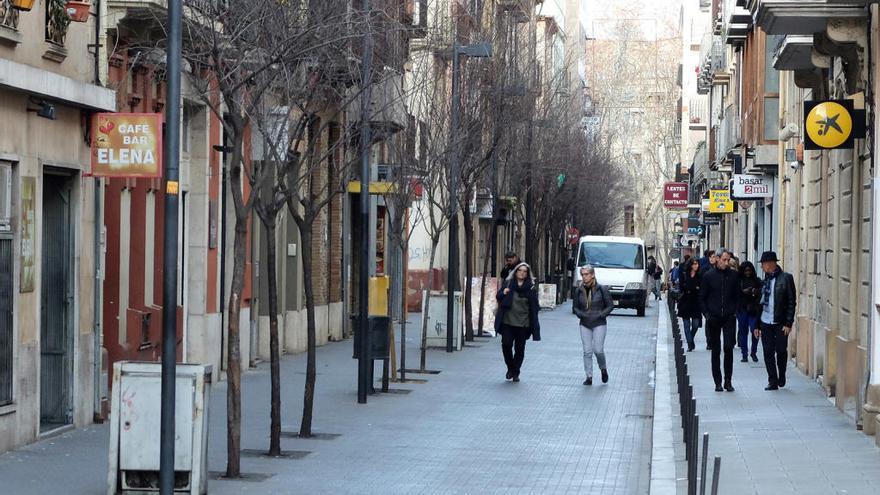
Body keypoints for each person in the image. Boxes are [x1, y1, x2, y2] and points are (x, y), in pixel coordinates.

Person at [754, 251, 797, 391]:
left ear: (771, 264)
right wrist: (757, 325)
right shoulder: (764, 281)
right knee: (767, 352)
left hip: (780, 322)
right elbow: (759, 305)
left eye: (763, 264)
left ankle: (782, 374)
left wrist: (788, 323)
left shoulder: (786, 278)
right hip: (765, 321)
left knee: (781, 350)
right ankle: (772, 380)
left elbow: (791, 301)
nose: (762, 267)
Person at [699, 250, 740, 392]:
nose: (726, 263)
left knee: (728, 348)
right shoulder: (708, 276)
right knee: (715, 350)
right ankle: (717, 381)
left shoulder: (734, 276)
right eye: (724, 260)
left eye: (728, 260)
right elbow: (702, 297)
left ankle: (728, 380)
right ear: (717, 259)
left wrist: (734, 311)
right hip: (714, 317)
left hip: (729, 317)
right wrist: (707, 315)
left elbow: (737, 296)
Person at [495, 262, 541, 382]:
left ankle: (516, 372)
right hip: (507, 322)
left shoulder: (530, 287)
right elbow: (498, 296)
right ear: (516, 271)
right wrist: (503, 292)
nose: (522, 273)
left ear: (527, 274)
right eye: (520, 270)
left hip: (523, 324)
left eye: (525, 271)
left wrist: (533, 324)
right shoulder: (509, 283)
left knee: (520, 349)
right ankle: (510, 367)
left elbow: (535, 306)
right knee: (506, 344)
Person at [572, 265, 614, 386]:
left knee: (598, 350)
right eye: (582, 274)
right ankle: (589, 376)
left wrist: (601, 314)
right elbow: (574, 307)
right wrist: (581, 315)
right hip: (585, 323)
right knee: (587, 351)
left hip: (599, 322)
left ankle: (603, 368)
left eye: (586, 274)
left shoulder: (602, 289)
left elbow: (610, 306)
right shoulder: (579, 290)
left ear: (592, 275)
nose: (584, 277)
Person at [737, 261, 762, 363]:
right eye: (746, 270)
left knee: (754, 330)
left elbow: (761, 292)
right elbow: (735, 294)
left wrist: (756, 292)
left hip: (753, 309)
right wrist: (743, 292)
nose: (748, 272)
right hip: (742, 309)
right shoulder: (739, 281)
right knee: (743, 332)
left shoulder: (756, 281)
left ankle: (753, 352)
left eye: (749, 270)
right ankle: (744, 354)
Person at [677, 257, 703, 352]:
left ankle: (690, 339)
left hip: (696, 303)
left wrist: (693, 287)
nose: (696, 266)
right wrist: (694, 287)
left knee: (695, 324)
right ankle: (689, 344)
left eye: (697, 264)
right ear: (690, 265)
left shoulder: (700, 275)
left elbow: (700, 288)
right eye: (694, 264)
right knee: (686, 325)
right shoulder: (685, 275)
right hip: (685, 302)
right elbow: (681, 287)